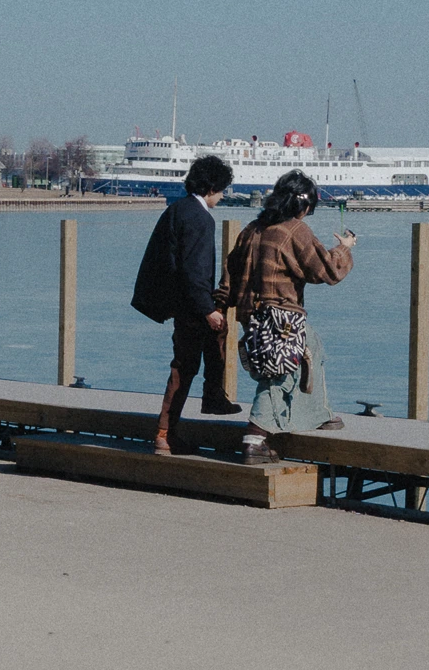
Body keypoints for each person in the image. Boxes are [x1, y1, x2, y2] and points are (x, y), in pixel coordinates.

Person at [216, 168, 354, 452]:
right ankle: (255, 437)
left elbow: (229, 272)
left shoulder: (251, 230)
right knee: (279, 372)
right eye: (310, 208)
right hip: (281, 317)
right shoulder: (294, 230)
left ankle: (319, 414)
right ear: (302, 204)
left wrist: (219, 306)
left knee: (311, 347)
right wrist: (345, 249)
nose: (307, 214)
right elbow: (325, 271)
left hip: (250, 316)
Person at [130, 152, 241, 453]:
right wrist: (208, 310)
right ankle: (203, 405)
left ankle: (171, 428)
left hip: (177, 303)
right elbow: (196, 270)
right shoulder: (201, 219)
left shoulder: (177, 209)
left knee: (185, 364)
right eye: (221, 190)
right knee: (198, 354)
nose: (222, 195)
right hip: (193, 306)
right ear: (211, 188)